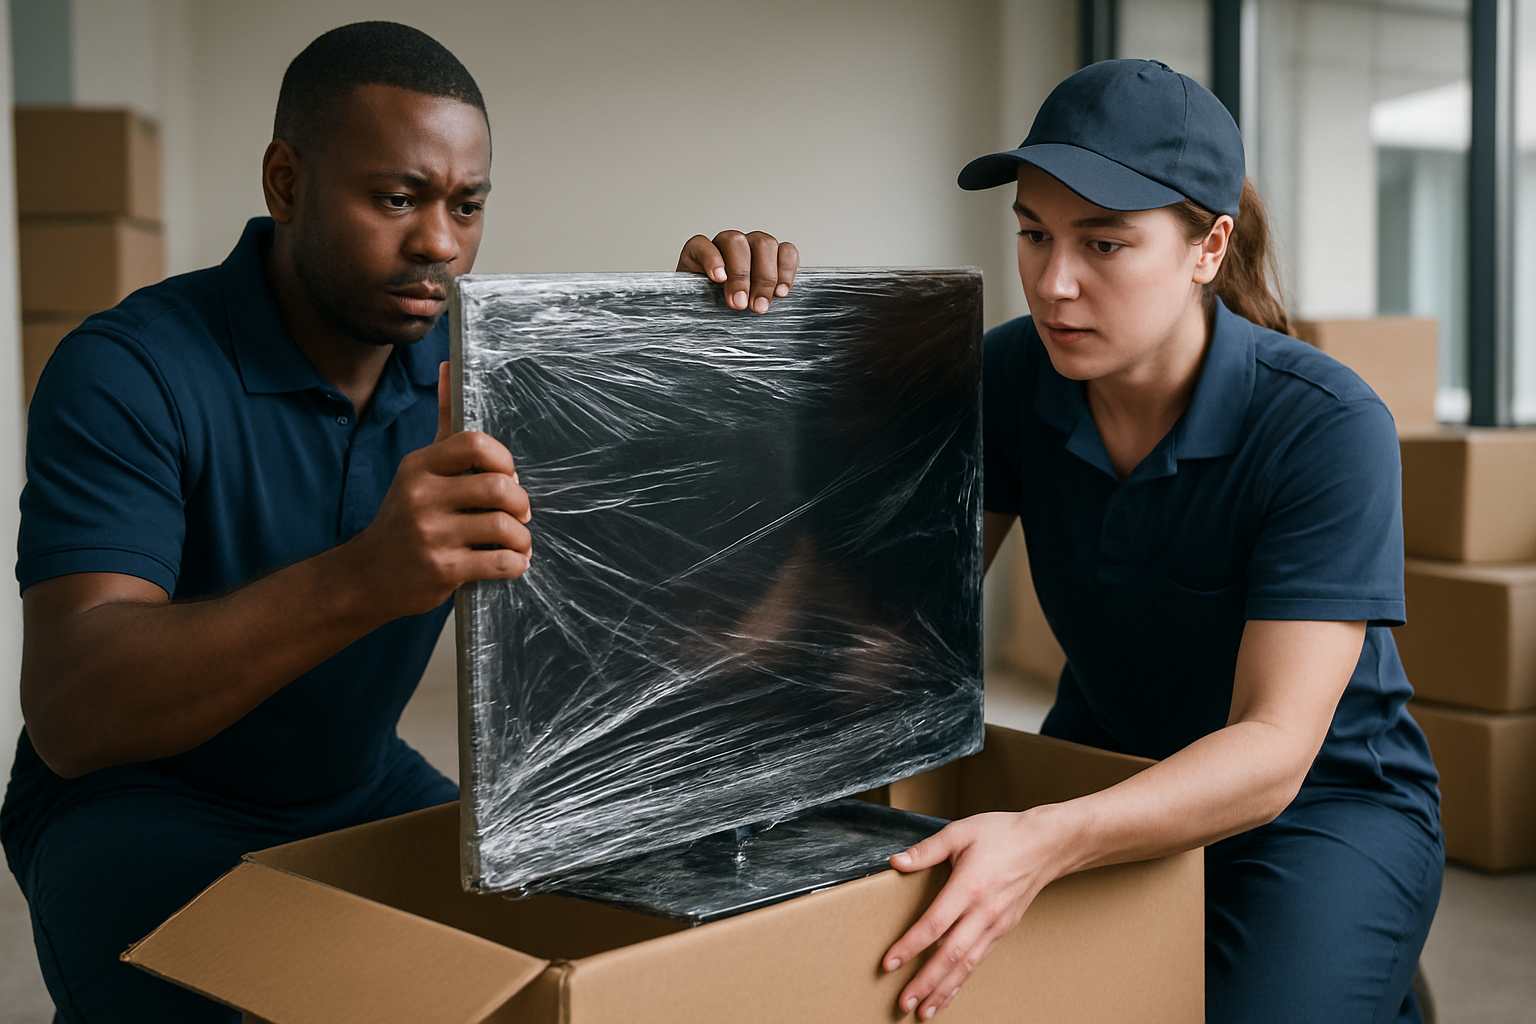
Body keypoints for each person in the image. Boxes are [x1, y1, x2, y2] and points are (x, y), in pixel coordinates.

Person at [2, 21, 795, 1022]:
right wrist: (361, 577)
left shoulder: (482, 369)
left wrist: (689, 342)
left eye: (467, 205)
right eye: (397, 198)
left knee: (599, 966)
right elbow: (75, 713)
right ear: (285, 183)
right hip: (132, 806)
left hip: (354, 781)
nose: (441, 242)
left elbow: (639, 586)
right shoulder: (130, 369)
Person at [684, 58, 1443, 1023]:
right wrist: (717, 347)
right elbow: (891, 634)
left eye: (1105, 244)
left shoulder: (1325, 423)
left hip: (1317, 808)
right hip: (1101, 763)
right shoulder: (1012, 374)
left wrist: (1046, 839)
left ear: (1208, 247)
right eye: (1034, 236)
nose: (1054, 282)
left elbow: (1274, 749)